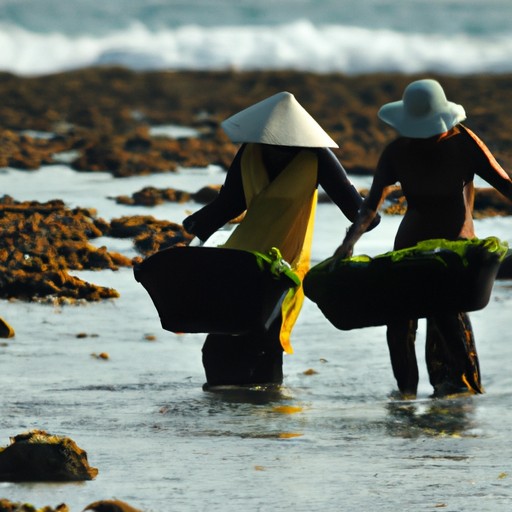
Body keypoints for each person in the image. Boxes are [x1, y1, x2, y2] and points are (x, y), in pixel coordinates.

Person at [183, 91, 378, 388]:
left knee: (267, 337)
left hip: (283, 267)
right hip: (242, 259)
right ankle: (236, 412)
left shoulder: (317, 157)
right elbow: (230, 203)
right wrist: (193, 226)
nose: (275, 147)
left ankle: (268, 413)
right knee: (220, 343)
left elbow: (354, 209)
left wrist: (368, 218)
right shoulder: (250, 151)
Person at [332, 79, 512, 398]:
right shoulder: (398, 152)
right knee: (399, 325)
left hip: (454, 254)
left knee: (447, 322)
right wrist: (349, 243)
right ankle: (404, 399)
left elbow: (505, 184)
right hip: (410, 250)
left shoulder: (464, 143)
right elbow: (370, 209)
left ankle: (462, 395)